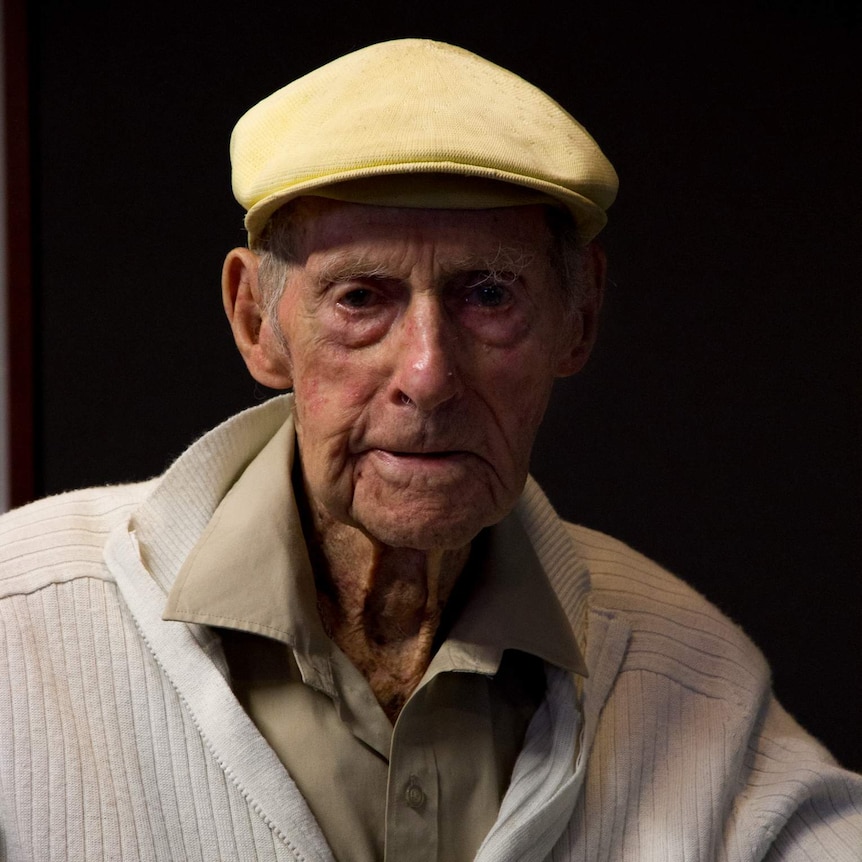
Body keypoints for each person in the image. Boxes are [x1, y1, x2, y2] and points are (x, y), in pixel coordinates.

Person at [0, 37, 859, 862]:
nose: (429, 373)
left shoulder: (684, 667)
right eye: (361, 297)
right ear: (258, 323)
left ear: (580, 317)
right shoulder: (22, 626)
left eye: (488, 294)